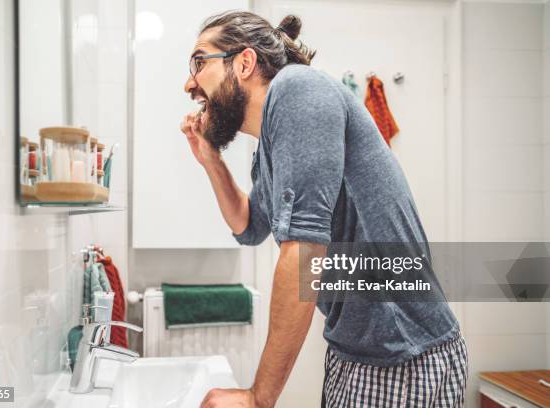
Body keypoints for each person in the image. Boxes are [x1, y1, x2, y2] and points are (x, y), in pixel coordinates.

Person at [180, 11, 468, 408]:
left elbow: (304, 252)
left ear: (244, 63)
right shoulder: (270, 144)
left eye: (199, 62)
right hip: (358, 351)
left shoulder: (298, 89)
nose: (189, 84)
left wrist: (258, 398)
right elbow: (248, 226)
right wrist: (211, 160)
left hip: (401, 357)